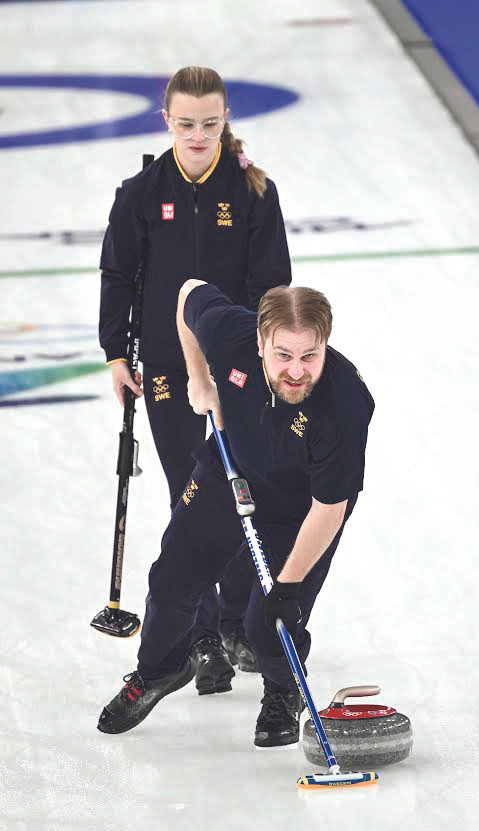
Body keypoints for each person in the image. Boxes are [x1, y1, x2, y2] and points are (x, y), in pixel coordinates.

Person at [97, 279, 374, 747]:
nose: (296, 371)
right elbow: (187, 292)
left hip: (300, 510)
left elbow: (329, 509)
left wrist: (286, 588)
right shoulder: (230, 334)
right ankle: (161, 670)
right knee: (172, 581)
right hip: (232, 472)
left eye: (310, 355)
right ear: (260, 340)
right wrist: (199, 377)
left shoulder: (345, 405)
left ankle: (284, 691)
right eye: (282, 355)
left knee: (268, 623)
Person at [99, 66, 291, 692]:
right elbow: (119, 274)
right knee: (192, 493)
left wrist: (266, 358)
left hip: (236, 364)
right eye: (186, 124)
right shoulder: (139, 192)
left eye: (211, 123)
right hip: (164, 365)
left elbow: (272, 287)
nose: (199, 134)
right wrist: (114, 353)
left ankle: (238, 621)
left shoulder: (255, 192)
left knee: (242, 490)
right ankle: (205, 633)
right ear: (166, 122)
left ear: (226, 119)